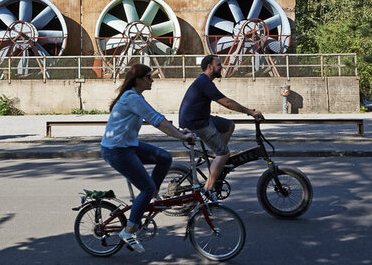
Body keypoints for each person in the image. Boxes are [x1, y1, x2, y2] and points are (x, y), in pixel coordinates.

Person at [101, 63, 194, 254]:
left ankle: (149, 198)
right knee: (147, 186)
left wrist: (179, 131)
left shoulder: (136, 97)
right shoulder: (131, 98)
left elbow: (157, 117)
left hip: (128, 145)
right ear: (139, 80)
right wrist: (182, 137)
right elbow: (157, 121)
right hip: (116, 150)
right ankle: (128, 232)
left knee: (164, 158)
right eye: (149, 77)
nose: (152, 80)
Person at [178, 54, 264, 199]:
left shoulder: (206, 81)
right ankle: (207, 191)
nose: (221, 67)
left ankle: (217, 161)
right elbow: (227, 103)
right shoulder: (204, 82)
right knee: (224, 153)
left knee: (229, 125)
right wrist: (250, 112)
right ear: (210, 67)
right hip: (195, 122)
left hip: (201, 117)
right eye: (218, 65)